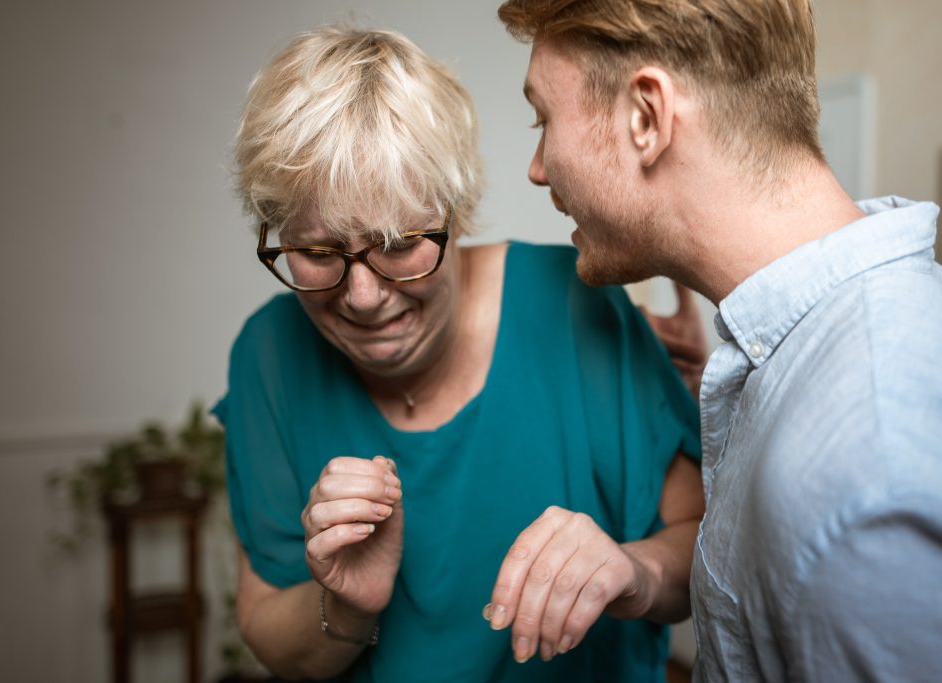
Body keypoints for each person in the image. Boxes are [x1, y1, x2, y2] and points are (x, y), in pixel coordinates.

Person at [215, 25, 705, 682]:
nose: (362, 296)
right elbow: (273, 636)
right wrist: (349, 604)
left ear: (456, 209)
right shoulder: (268, 356)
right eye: (318, 253)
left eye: (397, 244)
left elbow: (702, 547)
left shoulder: (576, 304)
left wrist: (635, 571)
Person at [497, 1, 942, 680]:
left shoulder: (864, 475)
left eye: (544, 120)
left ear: (645, 118)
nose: (537, 166)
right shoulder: (804, 356)